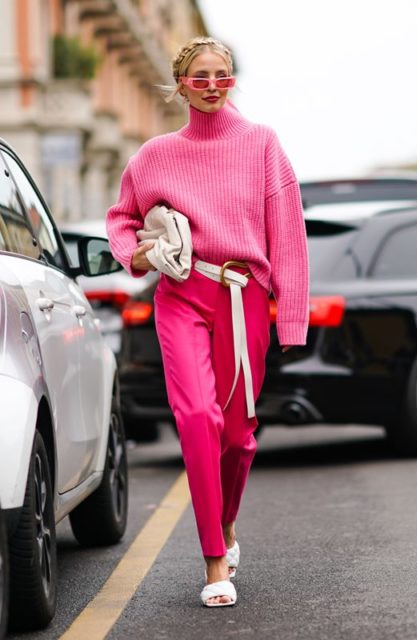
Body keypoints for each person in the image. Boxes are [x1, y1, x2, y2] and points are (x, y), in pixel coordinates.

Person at [105, 36, 309, 607]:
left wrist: (290, 318)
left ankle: (227, 521)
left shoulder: (263, 145)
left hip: (244, 298)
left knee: (239, 437)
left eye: (222, 74)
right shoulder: (154, 155)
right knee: (196, 417)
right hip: (183, 292)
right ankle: (215, 561)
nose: (213, 84)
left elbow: (289, 236)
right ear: (181, 84)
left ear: (232, 79)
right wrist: (137, 256)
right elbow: (121, 219)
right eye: (200, 76)